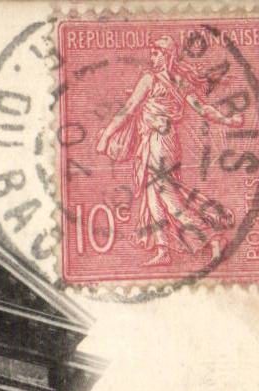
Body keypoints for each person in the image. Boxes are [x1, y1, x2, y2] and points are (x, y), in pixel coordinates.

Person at [96, 35, 244, 267]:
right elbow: (202, 108)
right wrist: (228, 119)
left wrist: (106, 136)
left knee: (166, 195)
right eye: (152, 53)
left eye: (156, 53)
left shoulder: (151, 79)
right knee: (152, 196)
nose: (152, 57)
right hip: (157, 142)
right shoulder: (178, 82)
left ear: (167, 55)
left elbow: (128, 109)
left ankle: (212, 237)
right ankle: (163, 249)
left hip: (160, 142)